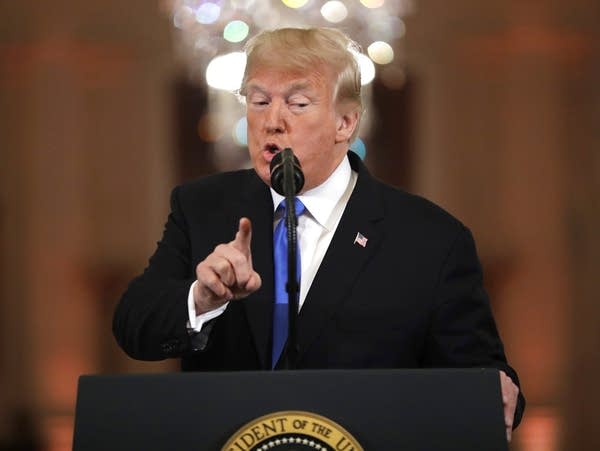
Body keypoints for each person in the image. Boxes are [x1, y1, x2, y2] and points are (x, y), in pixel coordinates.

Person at [113, 27, 525, 440]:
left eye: (297, 103)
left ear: (345, 122)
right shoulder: (203, 208)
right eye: (258, 101)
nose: (272, 122)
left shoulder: (430, 239)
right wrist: (202, 300)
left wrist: (497, 388)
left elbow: (480, 376)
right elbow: (134, 326)